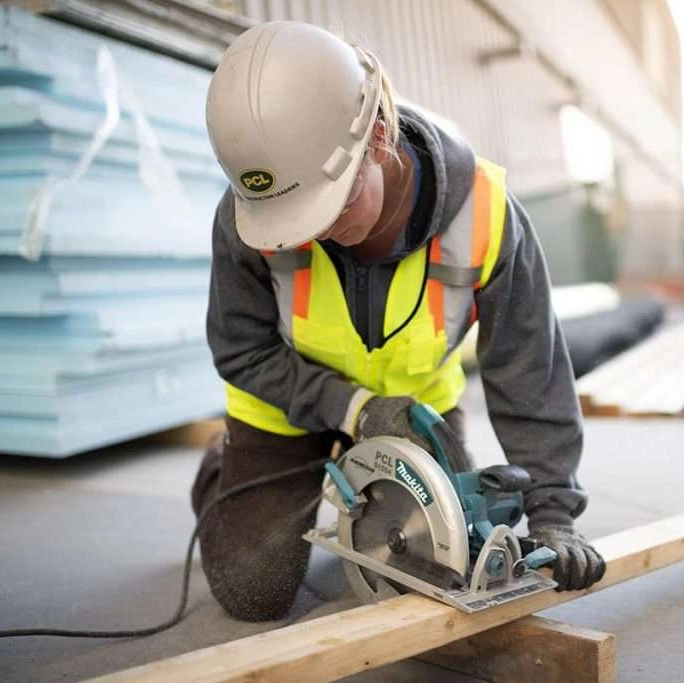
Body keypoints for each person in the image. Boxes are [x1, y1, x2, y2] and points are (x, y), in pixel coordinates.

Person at [191, 21, 605, 622]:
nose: (309, 232)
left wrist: (553, 514)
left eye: (329, 207)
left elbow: (529, 370)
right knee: (253, 593)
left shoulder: (486, 215)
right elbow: (241, 352)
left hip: (416, 413)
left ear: (377, 136)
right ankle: (220, 470)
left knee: (449, 566)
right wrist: (354, 408)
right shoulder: (253, 214)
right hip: (282, 409)